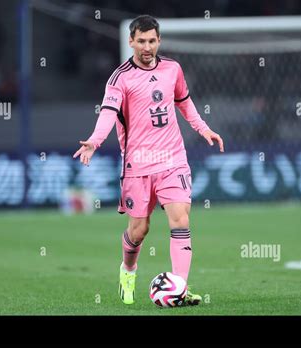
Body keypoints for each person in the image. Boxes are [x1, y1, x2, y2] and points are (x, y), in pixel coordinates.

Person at [73, 15, 224, 306]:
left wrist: (203, 128)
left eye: (152, 40)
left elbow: (184, 102)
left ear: (159, 41)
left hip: (173, 160)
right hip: (138, 165)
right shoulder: (120, 78)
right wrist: (94, 140)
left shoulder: (172, 69)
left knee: (180, 219)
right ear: (131, 42)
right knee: (139, 230)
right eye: (141, 41)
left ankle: (179, 287)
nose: (147, 46)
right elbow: (107, 113)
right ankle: (128, 270)